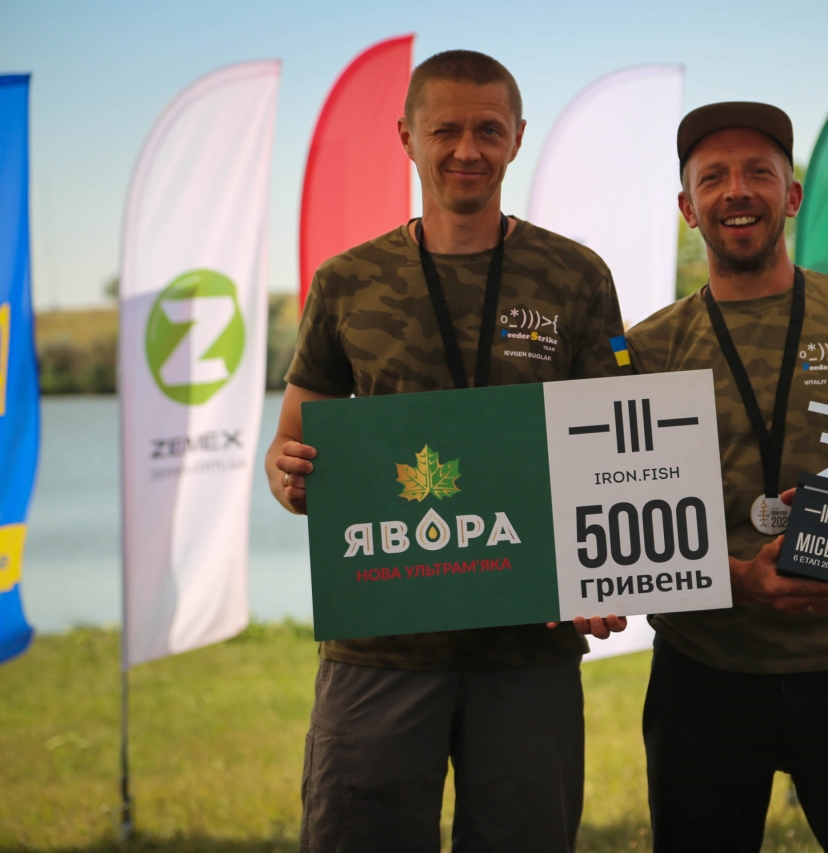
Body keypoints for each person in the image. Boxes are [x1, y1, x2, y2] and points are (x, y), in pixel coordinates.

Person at [265, 50, 628, 853]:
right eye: (447, 130)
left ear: (518, 137)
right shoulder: (347, 281)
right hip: (380, 646)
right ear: (407, 136)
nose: (468, 149)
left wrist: (604, 574)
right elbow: (293, 442)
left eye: (489, 130)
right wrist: (289, 476)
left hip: (528, 648)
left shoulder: (575, 276)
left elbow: (611, 446)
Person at [626, 102, 828, 852]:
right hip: (703, 672)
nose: (737, 190)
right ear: (688, 207)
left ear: (793, 195)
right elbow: (632, 536)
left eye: (758, 172)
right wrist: (741, 580)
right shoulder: (649, 350)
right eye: (713, 177)